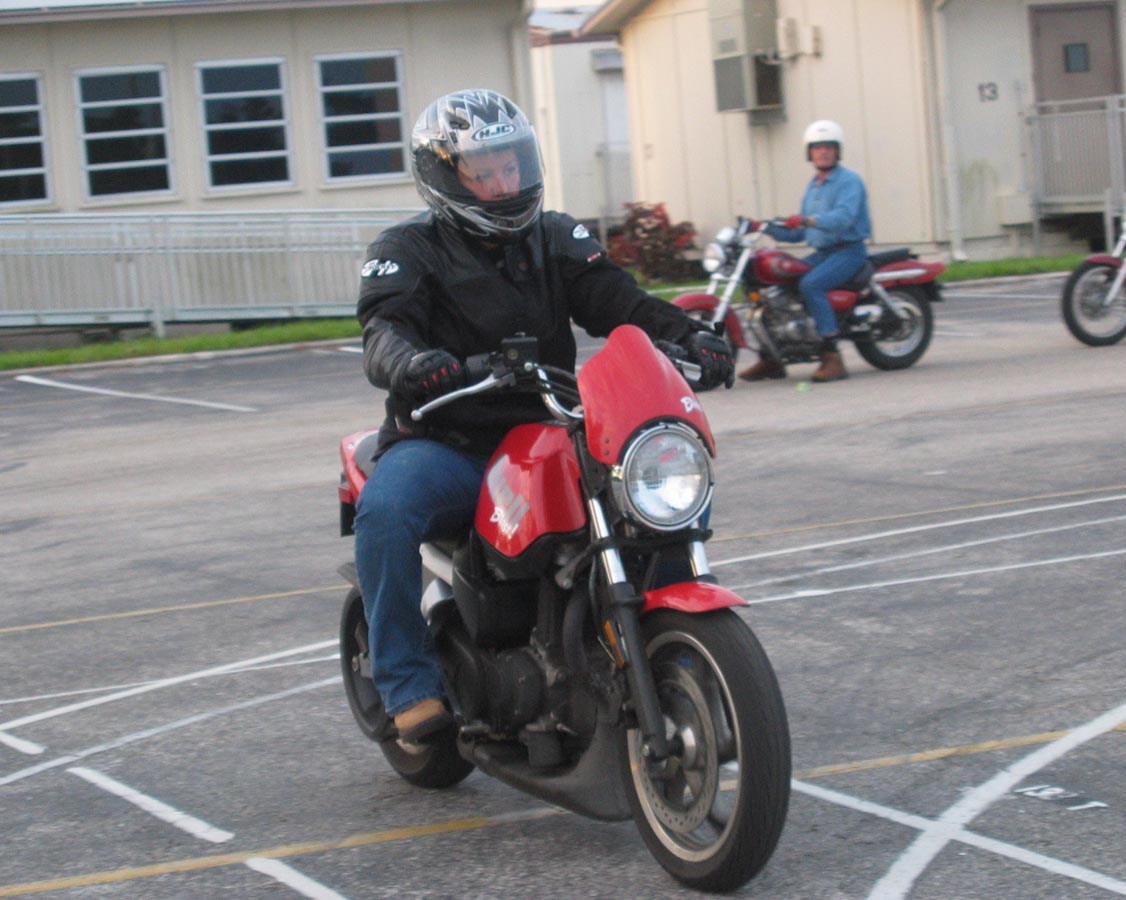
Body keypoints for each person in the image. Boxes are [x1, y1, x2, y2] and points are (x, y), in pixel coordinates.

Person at [353, 89, 733, 745]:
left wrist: (690, 335)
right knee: (387, 510)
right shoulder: (407, 249)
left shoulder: (555, 237)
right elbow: (383, 331)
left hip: (547, 431)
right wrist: (415, 363)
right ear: (446, 179)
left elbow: (621, 304)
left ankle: (659, 642)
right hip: (449, 441)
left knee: (643, 498)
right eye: (485, 172)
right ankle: (407, 686)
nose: (505, 184)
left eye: (512, 166)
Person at [739, 119, 873, 383]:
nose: (823, 152)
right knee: (775, 287)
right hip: (823, 253)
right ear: (809, 152)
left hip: (849, 251)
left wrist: (808, 220)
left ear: (837, 151)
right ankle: (772, 358)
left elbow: (843, 217)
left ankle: (832, 356)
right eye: (817, 147)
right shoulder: (813, 186)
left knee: (811, 284)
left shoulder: (849, 181)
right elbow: (798, 233)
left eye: (829, 147)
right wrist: (765, 227)